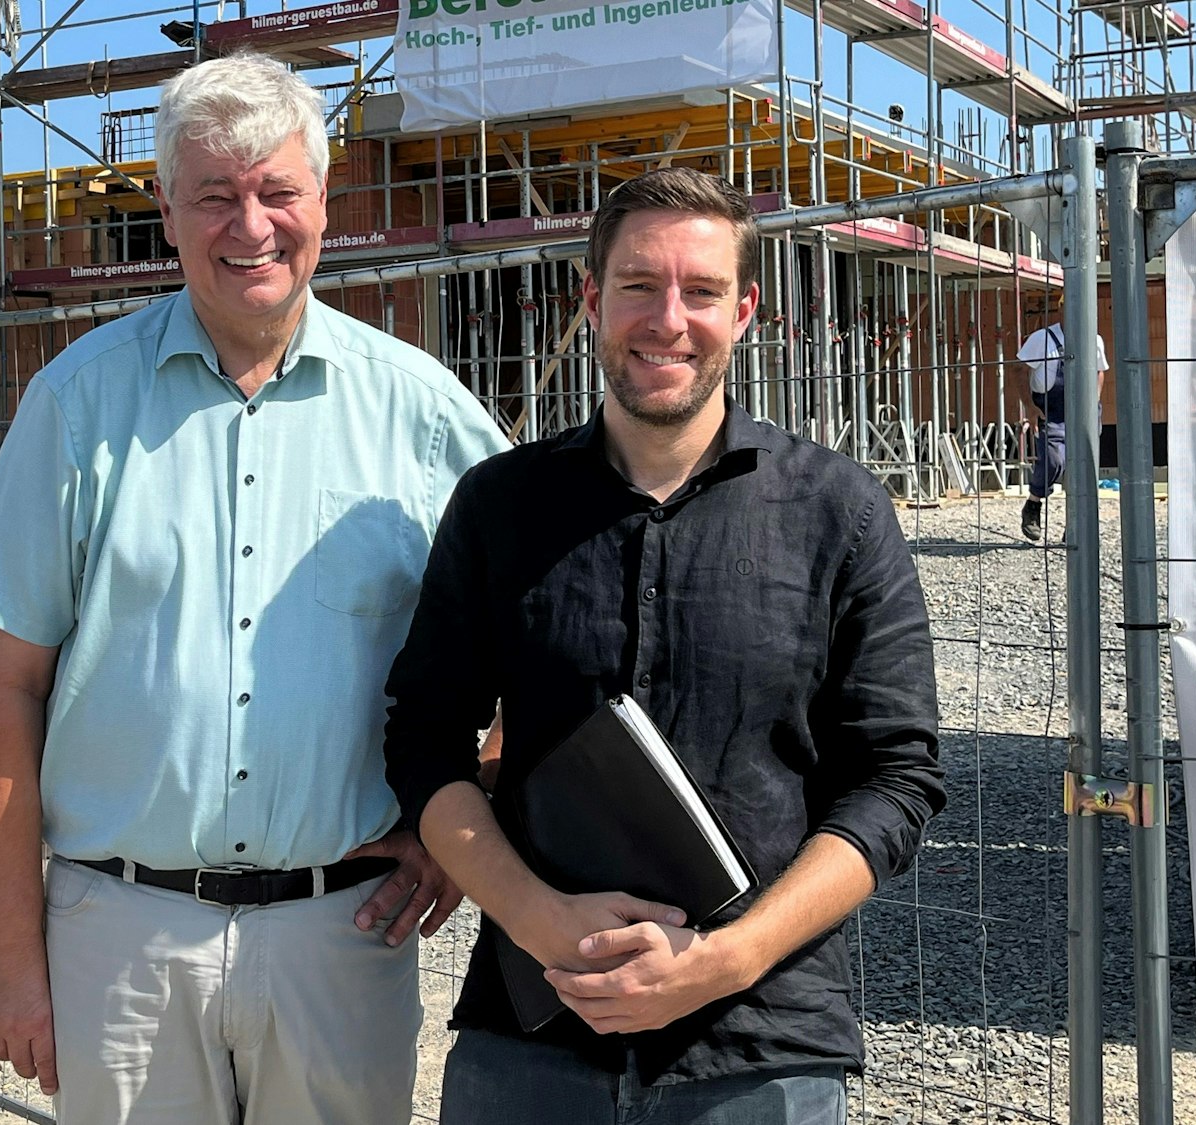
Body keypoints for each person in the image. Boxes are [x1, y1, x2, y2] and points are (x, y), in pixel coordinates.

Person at [0, 51, 509, 1125]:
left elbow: (545, 629)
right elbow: (5, 685)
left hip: (340, 939)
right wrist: (5, 949)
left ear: (323, 204)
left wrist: (467, 816)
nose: (249, 225)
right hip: (121, 937)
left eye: (276, 191)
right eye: (214, 196)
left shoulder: (420, 413)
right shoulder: (76, 407)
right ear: (165, 212)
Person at [382, 167, 945, 1125]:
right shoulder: (501, 506)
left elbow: (896, 776)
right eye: (640, 285)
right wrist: (533, 914)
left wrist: (732, 954)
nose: (668, 319)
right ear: (594, 301)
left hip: (760, 1050)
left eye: (702, 290)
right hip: (531, 1045)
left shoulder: (837, 513)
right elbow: (424, 737)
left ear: (747, 309)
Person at [1018, 303, 1109, 541]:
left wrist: (1094, 402)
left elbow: (1100, 371)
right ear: (1061, 310)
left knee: (1081, 468)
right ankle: (1034, 503)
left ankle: (1075, 527)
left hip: (1083, 412)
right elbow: (1019, 370)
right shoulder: (1042, 339)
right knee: (1054, 459)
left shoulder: (1094, 340)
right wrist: (1030, 406)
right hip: (1051, 409)